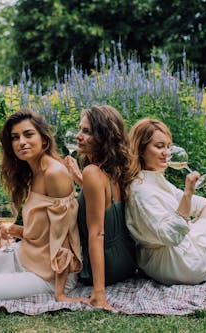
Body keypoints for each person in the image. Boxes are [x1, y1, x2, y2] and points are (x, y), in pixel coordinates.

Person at [0, 109, 83, 302]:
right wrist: (15, 230)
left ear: (44, 138)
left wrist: (60, 293)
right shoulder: (34, 170)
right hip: (25, 255)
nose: (21, 142)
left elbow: (64, 236)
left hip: (49, 273)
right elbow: (41, 232)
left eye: (28, 134)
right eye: (15, 137)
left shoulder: (54, 173)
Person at [125, 118, 206, 285]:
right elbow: (171, 236)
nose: (166, 153)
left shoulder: (152, 178)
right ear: (140, 149)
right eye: (159, 147)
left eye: (168, 146)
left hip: (165, 261)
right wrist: (188, 194)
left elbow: (190, 203)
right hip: (178, 265)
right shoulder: (141, 191)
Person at [65, 105, 137, 311]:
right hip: (126, 261)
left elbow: (97, 233)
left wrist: (99, 293)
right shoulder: (115, 169)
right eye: (80, 129)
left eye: (86, 131)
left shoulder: (92, 172)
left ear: (104, 136)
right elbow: (104, 200)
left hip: (103, 268)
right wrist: (78, 178)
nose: (78, 136)